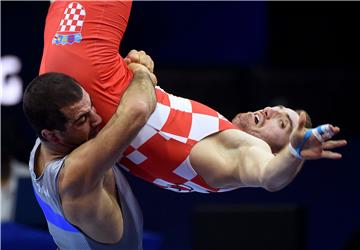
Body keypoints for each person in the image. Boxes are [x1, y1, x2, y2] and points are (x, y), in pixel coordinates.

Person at [40, 0, 346, 194]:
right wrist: (138, 69)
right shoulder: (216, 141)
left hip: (88, 76)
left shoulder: (240, 155)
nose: (270, 111)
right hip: (72, 84)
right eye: (277, 108)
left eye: (282, 124)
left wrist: (293, 153)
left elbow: (269, 177)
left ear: (275, 149)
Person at [23, 61, 157, 249]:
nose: (97, 119)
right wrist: (141, 71)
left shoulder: (40, 147)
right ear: (51, 135)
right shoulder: (75, 173)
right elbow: (138, 110)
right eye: (82, 119)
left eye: (91, 106)